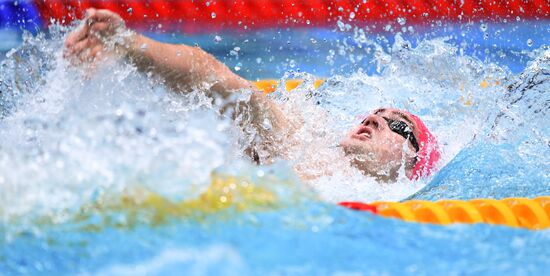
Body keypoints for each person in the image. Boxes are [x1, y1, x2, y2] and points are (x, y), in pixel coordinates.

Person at [64, 8, 440, 182]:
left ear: (412, 164)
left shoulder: (398, 204)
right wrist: (130, 44)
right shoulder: (302, 140)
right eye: (372, 114)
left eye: (397, 126)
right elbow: (218, 81)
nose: (374, 119)